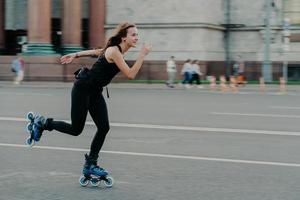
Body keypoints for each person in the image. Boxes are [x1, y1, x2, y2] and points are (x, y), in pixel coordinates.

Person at [27, 22, 152, 182]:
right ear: (124, 37)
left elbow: (97, 52)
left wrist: (76, 55)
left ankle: (90, 164)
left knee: (104, 127)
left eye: (137, 34)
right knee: (75, 129)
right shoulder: (115, 51)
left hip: (95, 91)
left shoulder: (115, 50)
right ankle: (43, 123)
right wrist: (142, 54)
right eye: (133, 34)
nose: (137, 37)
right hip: (83, 88)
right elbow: (130, 74)